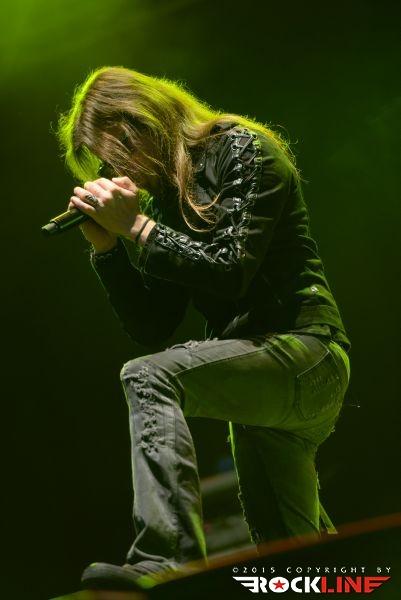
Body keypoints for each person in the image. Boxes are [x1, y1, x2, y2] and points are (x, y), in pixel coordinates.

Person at [57, 66, 351, 591]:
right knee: (292, 563)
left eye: (117, 155)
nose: (118, 171)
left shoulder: (243, 148)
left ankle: (167, 557)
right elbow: (153, 324)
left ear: (142, 123)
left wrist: (139, 227)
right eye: (107, 164)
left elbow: (232, 268)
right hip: (259, 376)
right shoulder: (167, 199)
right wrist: (109, 250)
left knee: (148, 376)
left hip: (305, 351)